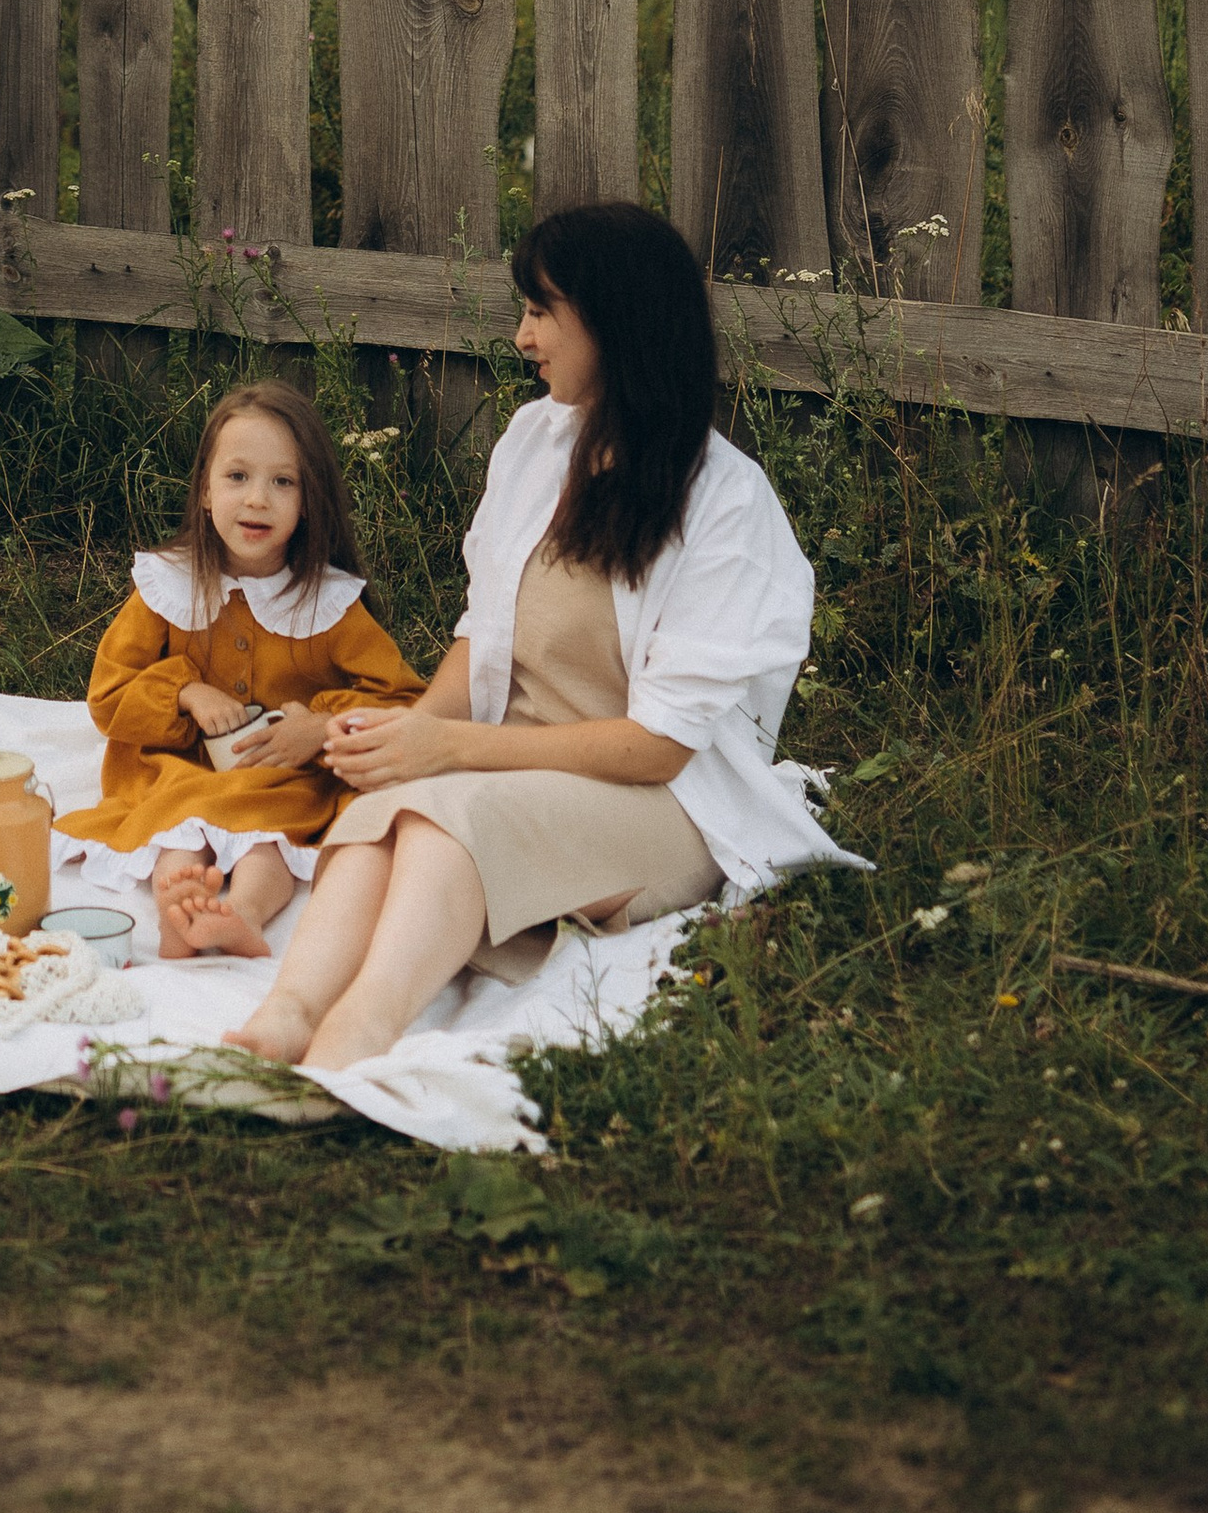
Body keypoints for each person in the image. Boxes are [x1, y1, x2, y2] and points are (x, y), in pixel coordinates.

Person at [226, 205, 854, 1070]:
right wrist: (408, 731)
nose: (522, 336)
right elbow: (484, 635)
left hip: (662, 805)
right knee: (379, 808)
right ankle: (288, 1012)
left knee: (451, 813)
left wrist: (450, 747)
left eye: (540, 310)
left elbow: (660, 749)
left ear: (615, 321)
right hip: (511, 755)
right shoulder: (534, 443)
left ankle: (359, 1030)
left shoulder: (724, 503)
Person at [54, 379, 422, 960]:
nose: (257, 500)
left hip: (282, 775)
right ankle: (179, 908)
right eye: (237, 477)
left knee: (267, 840)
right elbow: (109, 697)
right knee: (179, 823)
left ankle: (242, 914)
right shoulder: (167, 586)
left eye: (283, 482)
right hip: (178, 767)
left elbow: (401, 700)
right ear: (204, 491)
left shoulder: (327, 603)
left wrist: (320, 727)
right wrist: (184, 692)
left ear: (309, 501)